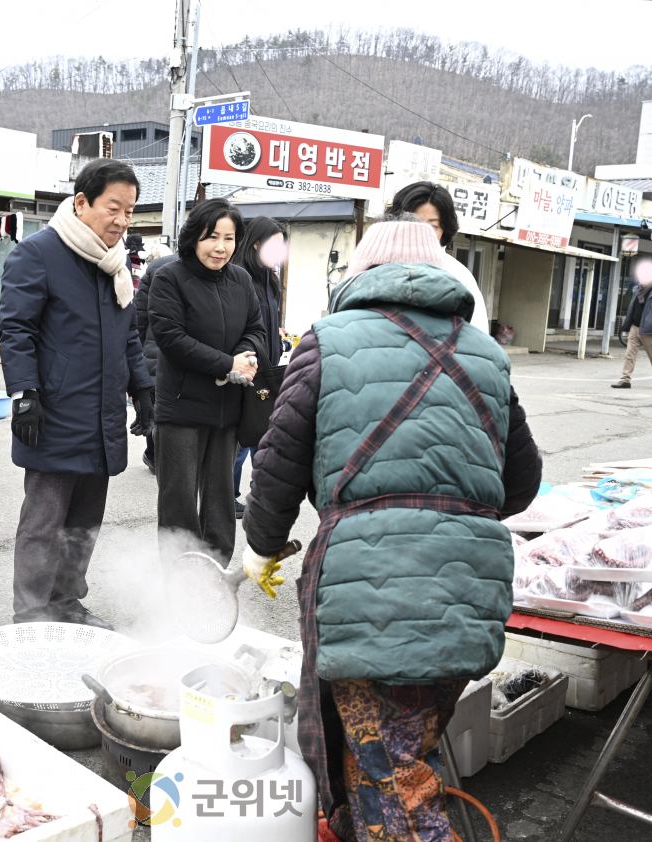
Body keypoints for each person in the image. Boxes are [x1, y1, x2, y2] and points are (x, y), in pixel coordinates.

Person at [241, 216, 541, 842]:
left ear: (360, 275)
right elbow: (521, 483)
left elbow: (276, 466)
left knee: (397, 784)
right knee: (397, 760)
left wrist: (263, 547)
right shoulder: (487, 353)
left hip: (367, 593)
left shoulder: (328, 339)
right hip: (468, 593)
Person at [0, 159, 153, 629]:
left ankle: (67, 602)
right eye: (114, 208)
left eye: (130, 211)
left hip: (103, 412)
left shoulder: (114, 261)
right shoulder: (38, 253)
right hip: (55, 411)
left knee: (85, 520)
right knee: (44, 522)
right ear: (82, 203)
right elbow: (16, 329)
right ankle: (30, 612)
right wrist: (25, 394)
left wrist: (142, 387)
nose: (123, 221)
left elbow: (127, 334)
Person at [150, 198, 266, 565]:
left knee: (220, 496)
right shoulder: (170, 276)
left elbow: (256, 328)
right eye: (211, 236)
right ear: (194, 238)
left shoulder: (242, 279)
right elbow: (171, 338)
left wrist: (246, 357)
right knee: (179, 498)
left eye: (229, 238)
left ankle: (216, 568)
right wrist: (225, 364)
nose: (221, 247)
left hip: (228, 408)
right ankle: (179, 574)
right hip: (182, 406)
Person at [230, 216, 287, 518]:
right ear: (255, 243)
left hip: (270, 368)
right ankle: (228, 496)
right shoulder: (241, 278)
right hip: (248, 368)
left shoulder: (270, 281)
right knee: (245, 436)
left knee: (264, 435)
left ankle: (259, 494)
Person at [383, 180, 490, 333]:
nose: (423, 232)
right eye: (414, 223)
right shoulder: (377, 266)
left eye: (433, 226)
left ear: (444, 230)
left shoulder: (459, 277)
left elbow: (478, 339)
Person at [133, 242, 177, 475]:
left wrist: (135, 353)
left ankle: (153, 454)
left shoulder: (157, 266)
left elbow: (139, 316)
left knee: (155, 405)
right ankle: (157, 456)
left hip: (153, 348)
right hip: (159, 350)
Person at [613, 257, 652, 390]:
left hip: (650, 330)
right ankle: (625, 380)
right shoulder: (637, 289)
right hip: (635, 327)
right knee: (629, 355)